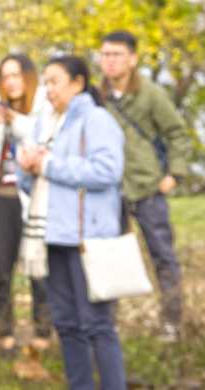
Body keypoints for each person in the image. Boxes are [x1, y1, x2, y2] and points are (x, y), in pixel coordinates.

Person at [18, 55, 126, 389]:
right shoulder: (46, 122)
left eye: (54, 81)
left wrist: (49, 165)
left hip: (87, 236)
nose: (47, 89)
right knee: (66, 324)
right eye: (45, 82)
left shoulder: (96, 119)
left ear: (78, 83)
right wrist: (27, 168)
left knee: (97, 325)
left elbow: (108, 171)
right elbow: (33, 185)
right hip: (51, 236)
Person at [98, 30, 190, 342]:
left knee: (163, 256)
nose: (110, 61)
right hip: (110, 191)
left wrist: (174, 174)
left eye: (117, 54)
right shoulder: (97, 97)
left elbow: (177, 134)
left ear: (133, 59)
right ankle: (108, 324)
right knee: (108, 256)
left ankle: (171, 324)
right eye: (105, 54)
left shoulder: (150, 94)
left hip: (148, 188)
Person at [0, 54, 52, 358]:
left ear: (29, 77)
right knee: (1, 271)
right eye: (5, 76)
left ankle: (43, 330)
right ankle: (5, 334)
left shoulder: (45, 109)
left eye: (16, 75)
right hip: (0, 198)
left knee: (38, 268)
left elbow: (40, 140)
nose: (10, 82)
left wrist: (15, 121)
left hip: (33, 199)